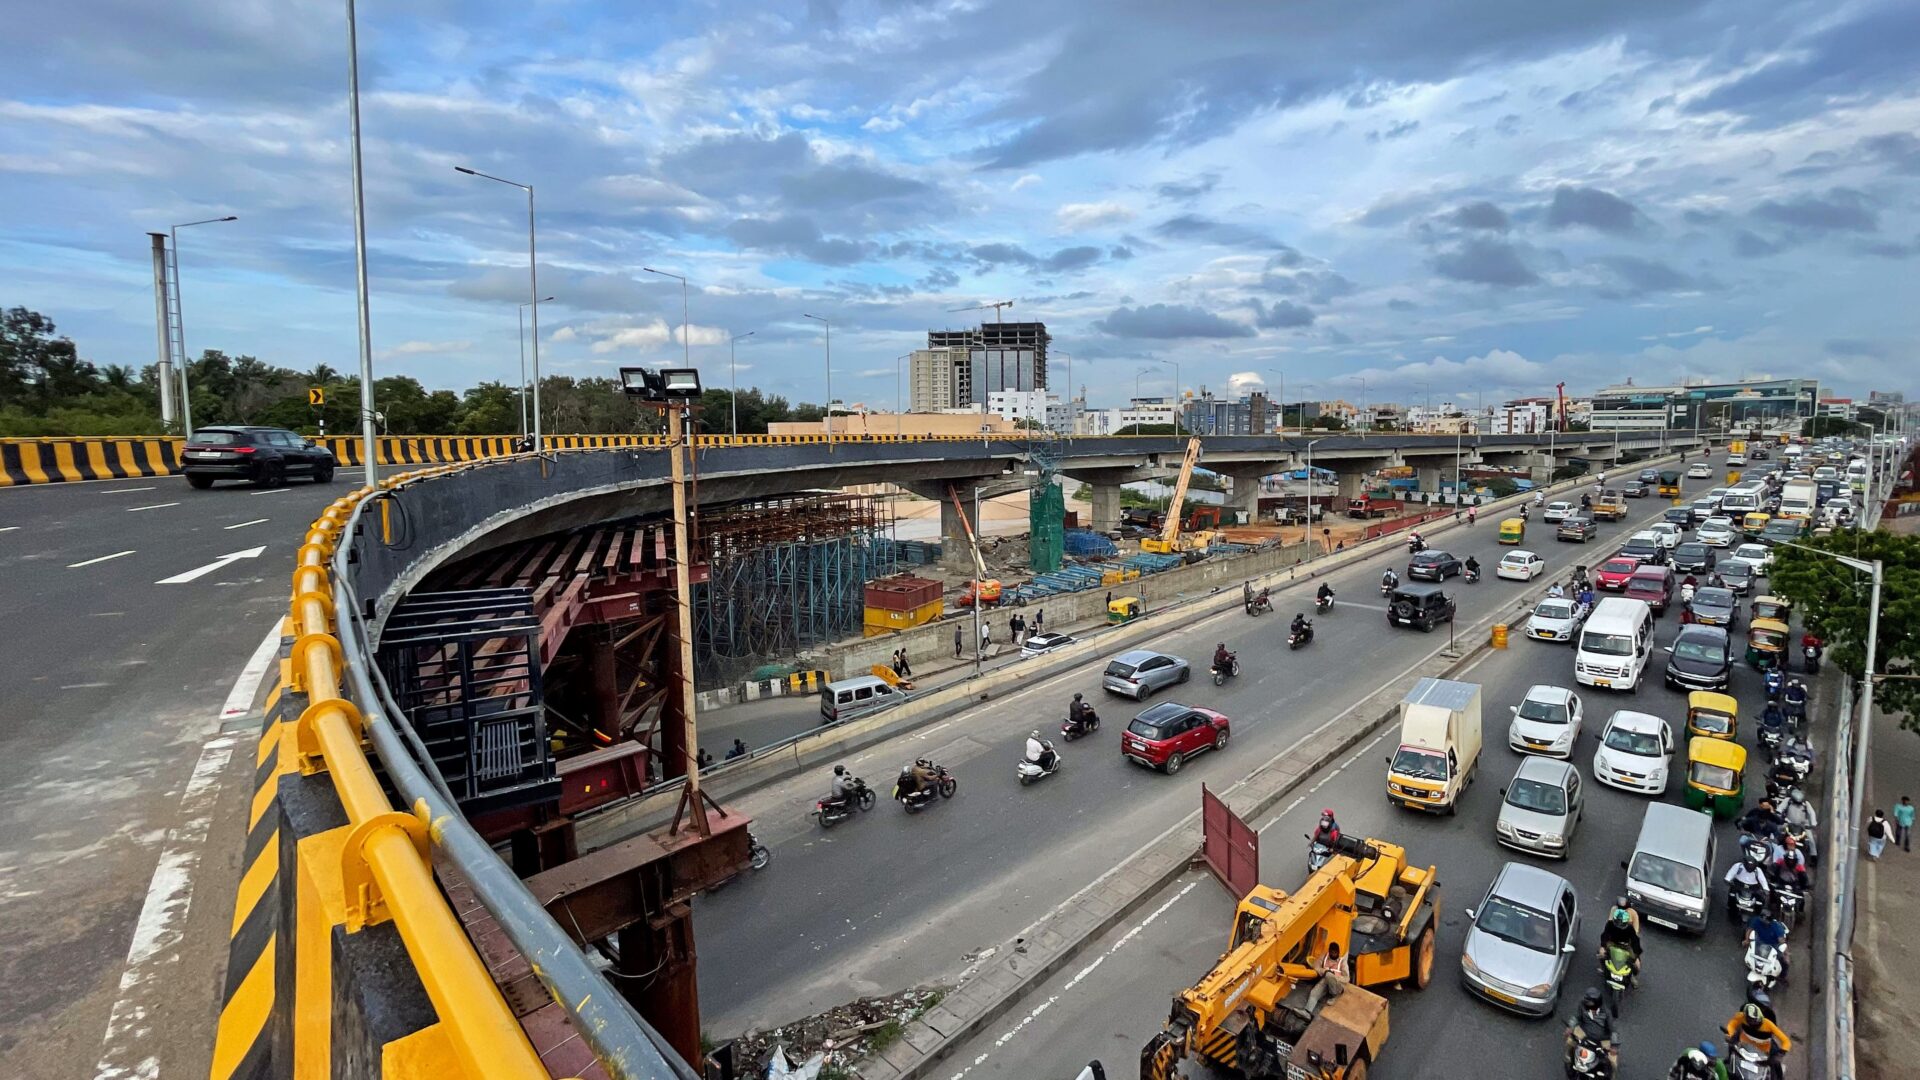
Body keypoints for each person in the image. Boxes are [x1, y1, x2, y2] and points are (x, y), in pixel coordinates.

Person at [1723, 1001, 1791, 1075]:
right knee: (1731, 1045)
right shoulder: (1741, 1017)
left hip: (1763, 1047)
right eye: (1749, 1020)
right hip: (1745, 1042)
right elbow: (1732, 1024)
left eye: (1754, 1020)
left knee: (1776, 1064)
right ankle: (1730, 1059)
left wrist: (1781, 1053)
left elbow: (1786, 1041)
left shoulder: (1768, 1024)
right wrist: (1729, 1034)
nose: (1752, 1022)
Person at [1565, 988, 1619, 1072]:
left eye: (1589, 1002)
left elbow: (1613, 1030)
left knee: (1613, 1062)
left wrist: (1614, 1046)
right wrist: (1570, 1027)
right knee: (1569, 1042)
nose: (1586, 1003)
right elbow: (1576, 1017)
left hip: (1602, 1039)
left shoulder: (1606, 1013)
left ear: (1596, 1003)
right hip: (1585, 1033)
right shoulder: (1582, 1005)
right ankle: (1569, 1060)